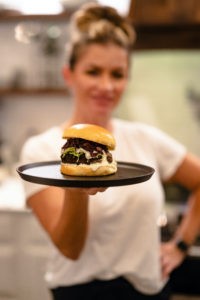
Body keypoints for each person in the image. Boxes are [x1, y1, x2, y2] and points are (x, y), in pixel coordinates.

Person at [20, 3, 200, 300]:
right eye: (93, 71)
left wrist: (180, 246)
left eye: (117, 74)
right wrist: (76, 189)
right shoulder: (39, 150)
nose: (106, 85)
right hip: (79, 291)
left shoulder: (145, 138)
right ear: (69, 75)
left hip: (149, 289)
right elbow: (70, 248)